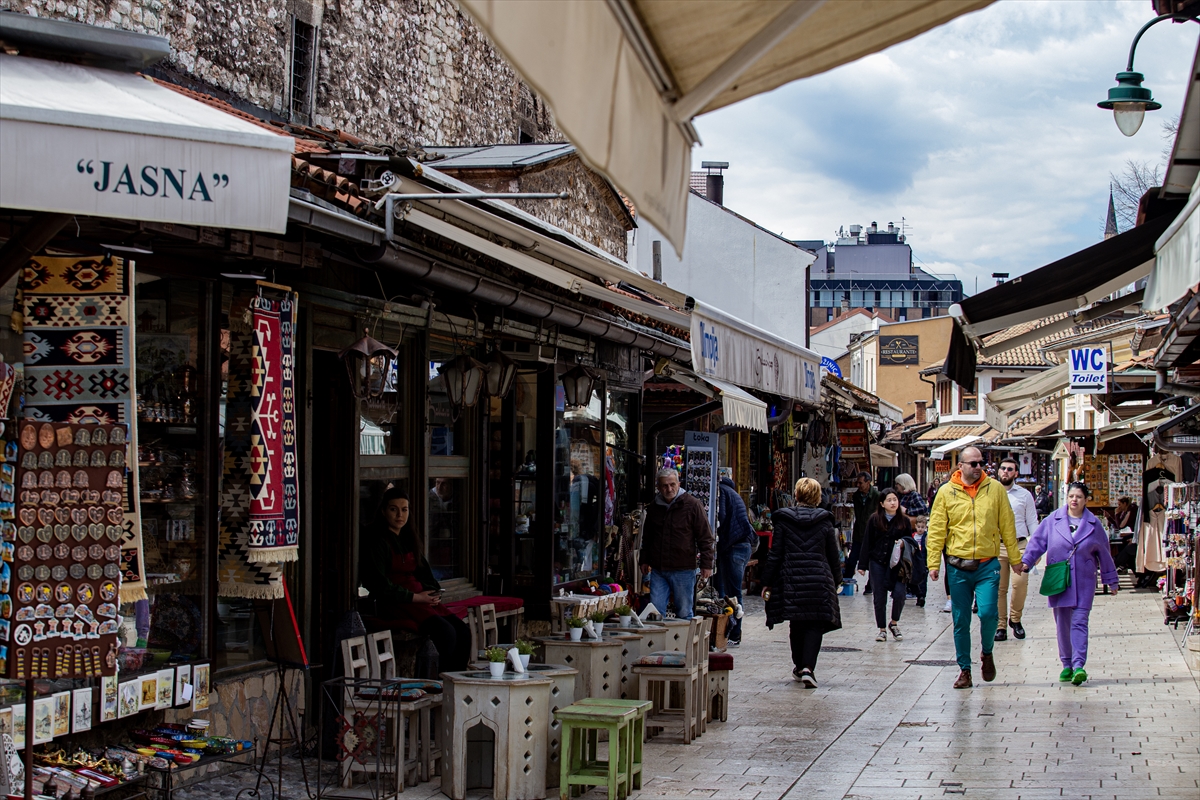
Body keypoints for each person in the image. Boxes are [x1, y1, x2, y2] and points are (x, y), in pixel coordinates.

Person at [927, 446, 1021, 689]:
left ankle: (987, 651)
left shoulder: (995, 490)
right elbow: (937, 528)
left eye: (982, 462)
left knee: (989, 613)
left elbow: (1007, 526)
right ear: (961, 466)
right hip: (957, 566)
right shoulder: (946, 492)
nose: (979, 467)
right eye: (973, 463)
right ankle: (965, 670)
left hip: (987, 564)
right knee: (961, 620)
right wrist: (933, 562)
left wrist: (1015, 558)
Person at [359, 487, 472, 672]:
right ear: (383, 511)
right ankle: (440, 683)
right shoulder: (377, 542)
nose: (399, 515)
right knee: (446, 633)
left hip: (421, 600)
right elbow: (378, 584)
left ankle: (456, 683)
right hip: (397, 602)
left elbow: (424, 572)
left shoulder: (407, 538)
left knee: (463, 632)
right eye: (393, 509)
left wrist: (433, 592)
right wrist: (416, 597)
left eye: (404, 509)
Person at [1019, 482, 1118, 685]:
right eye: (1071, 496)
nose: (1074, 500)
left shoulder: (1093, 525)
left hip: (1084, 581)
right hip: (1059, 580)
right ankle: (1066, 664)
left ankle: (1079, 665)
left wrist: (1111, 580)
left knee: (1080, 622)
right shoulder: (1052, 520)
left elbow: (1105, 553)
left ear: (1086, 500)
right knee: (1062, 624)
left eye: (1079, 497)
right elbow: (1038, 543)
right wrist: (1026, 562)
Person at [761, 477, 843, 687]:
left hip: (792, 579)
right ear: (818, 497)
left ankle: (799, 666)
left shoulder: (784, 520)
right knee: (814, 624)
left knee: (797, 623)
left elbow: (775, 554)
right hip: (819, 579)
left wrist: (767, 581)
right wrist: (836, 581)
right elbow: (833, 555)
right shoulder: (825, 521)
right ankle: (808, 667)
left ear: (796, 496)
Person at [640, 467, 715, 620]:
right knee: (655, 611)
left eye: (672, 484)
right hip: (659, 568)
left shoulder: (692, 505)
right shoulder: (654, 507)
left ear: (679, 483)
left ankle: (683, 644)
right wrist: (644, 559)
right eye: (665, 485)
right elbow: (647, 537)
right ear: (658, 487)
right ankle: (659, 643)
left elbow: (705, 537)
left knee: (684, 612)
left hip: (683, 569)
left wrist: (707, 564)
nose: (669, 489)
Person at [857, 489, 917, 642]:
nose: (892, 503)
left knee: (899, 594)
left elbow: (910, 541)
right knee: (879, 596)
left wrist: (904, 542)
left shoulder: (904, 521)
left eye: (895, 500)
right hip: (878, 562)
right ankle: (882, 629)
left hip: (897, 564)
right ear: (882, 503)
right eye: (889, 500)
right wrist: (862, 565)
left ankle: (894, 622)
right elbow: (867, 542)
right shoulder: (875, 519)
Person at [995, 458, 1038, 642]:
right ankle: (1001, 626)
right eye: (1003, 468)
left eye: (1010, 469)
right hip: (997, 545)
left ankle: (1015, 619)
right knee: (999, 588)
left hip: (1019, 545)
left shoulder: (1024, 495)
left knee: (1020, 584)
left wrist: (1036, 549)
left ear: (1016, 473)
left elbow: (1032, 522)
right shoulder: (990, 493)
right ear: (998, 471)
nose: (1006, 471)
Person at [715, 473, 757, 646]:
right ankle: (728, 631)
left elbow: (721, 517)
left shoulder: (722, 492)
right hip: (740, 545)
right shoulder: (732, 491)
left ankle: (734, 632)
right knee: (728, 590)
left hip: (734, 546)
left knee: (731, 591)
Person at [895, 473, 929, 607]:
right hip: (902, 532)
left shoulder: (914, 495)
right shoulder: (899, 496)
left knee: (915, 564)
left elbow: (923, 508)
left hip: (913, 534)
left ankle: (918, 592)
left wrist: (907, 510)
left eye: (898, 484)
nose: (896, 486)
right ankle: (909, 589)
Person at [848, 472, 880, 595]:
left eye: (861, 482)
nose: (858, 485)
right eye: (858, 482)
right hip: (858, 533)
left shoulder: (877, 496)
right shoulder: (856, 496)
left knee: (872, 561)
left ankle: (870, 586)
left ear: (868, 482)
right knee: (852, 560)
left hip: (872, 534)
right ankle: (846, 582)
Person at [1108, 496, 1140, 572]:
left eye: (1120, 504)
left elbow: (1121, 526)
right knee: (1121, 541)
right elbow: (1118, 525)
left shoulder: (1131, 510)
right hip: (1130, 533)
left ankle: (1119, 561)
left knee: (1123, 541)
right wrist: (1110, 518)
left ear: (1125, 503)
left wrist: (1116, 514)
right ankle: (1121, 562)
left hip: (1134, 534)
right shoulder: (1124, 512)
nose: (1119, 507)